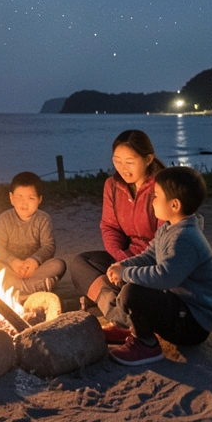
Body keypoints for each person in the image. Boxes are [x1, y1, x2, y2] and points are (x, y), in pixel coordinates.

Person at [106, 166, 212, 366]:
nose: (152, 201)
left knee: (133, 293)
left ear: (175, 205)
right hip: (181, 306)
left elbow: (164, 277)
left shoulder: (185, 238)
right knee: (132, 285)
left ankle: (146, 344)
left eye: (156, 196)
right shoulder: (169, 228)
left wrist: (126, 273)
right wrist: (122, 266)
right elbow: (149, 256)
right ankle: (134, 328)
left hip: (194, 323)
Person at [68, 129, 163, 322]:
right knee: (80, 263)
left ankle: (119, 299)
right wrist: (120, 259)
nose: (122, 168)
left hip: (154, 264)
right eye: (117, 160)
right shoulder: (112, 185)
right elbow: (110, 227)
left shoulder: (163, 186)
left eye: (130, 162)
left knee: (139, 287)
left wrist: (129, 266)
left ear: (148, 159)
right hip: (123, 257)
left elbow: (165, 238)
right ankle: (114, 308)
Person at [0, 171, 66, 298]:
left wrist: (34, 261)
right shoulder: (4, 219)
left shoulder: (43, 218)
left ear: (39, 200)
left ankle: (18, 290)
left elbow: (49, 246)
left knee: (59, 265)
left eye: (31, 198)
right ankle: (36, 288)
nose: (24, 203)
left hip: (35, 270)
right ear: (11, 198)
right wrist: (12, 261)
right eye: (19, 197)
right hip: (11, 269)